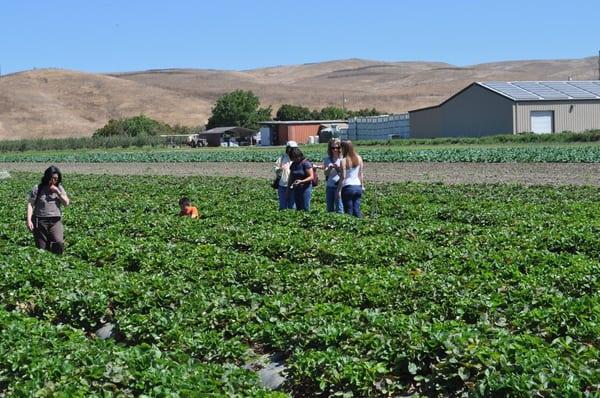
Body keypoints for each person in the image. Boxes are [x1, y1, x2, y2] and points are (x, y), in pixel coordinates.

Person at [26, 165, 70, 254]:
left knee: (58, 242)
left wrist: (57, 192)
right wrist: (29, 220)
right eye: (52, 178)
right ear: (47, 177)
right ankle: (45, 264)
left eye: (56, 179)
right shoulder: (38, 188)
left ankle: (57, 261)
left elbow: (66, 203)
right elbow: (30, 204)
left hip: (55, 220)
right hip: (40, 221)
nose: (54, 180)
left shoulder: (59, 188)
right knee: (42, 249)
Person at [337, 140, 364, 218]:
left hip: (348, 187)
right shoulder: (359, 158)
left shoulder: (343, 160)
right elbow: (361, 174)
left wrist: (339, 190)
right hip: (357, 186)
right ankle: (360, 225)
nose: (339, 150)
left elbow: (343, 177)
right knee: (357, 209)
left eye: (340, 147)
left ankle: (350, 226)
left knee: (348, 210)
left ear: (344, 148)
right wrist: (362, 186)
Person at [288, 147, 314, 211]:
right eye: (293, 157)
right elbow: (291, 177)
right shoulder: (293, 164)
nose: (295, 159)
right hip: (296, 188)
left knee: (305, 207)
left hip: (305, 188)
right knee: (298, 207)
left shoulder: (305, 163)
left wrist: (301, 181)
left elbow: (311, 177)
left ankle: (306, 219)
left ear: (300, 155)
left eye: (296, 157)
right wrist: (288, 188)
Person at [274, 141, 297, 210]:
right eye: (292, 148)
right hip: (282, 185)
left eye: (295, 148)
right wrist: (280, 169)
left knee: (293, 206)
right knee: (283, 206)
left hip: (294, 186)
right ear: (288, 148)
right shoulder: (281, 158)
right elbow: (276, 169)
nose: (294, 150)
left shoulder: (297, 158)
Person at [323, 138, 344, 213]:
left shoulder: (343, 159)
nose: (335, 150)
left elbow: (345, 175)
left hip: (340, 187)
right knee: (329, 208)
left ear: (340, 148)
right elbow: (326, 174)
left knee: (340, 208)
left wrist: (338, 168)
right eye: (333, 148)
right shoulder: (327, 159)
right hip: (330, 186)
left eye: (337, 148)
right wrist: (329, 168)